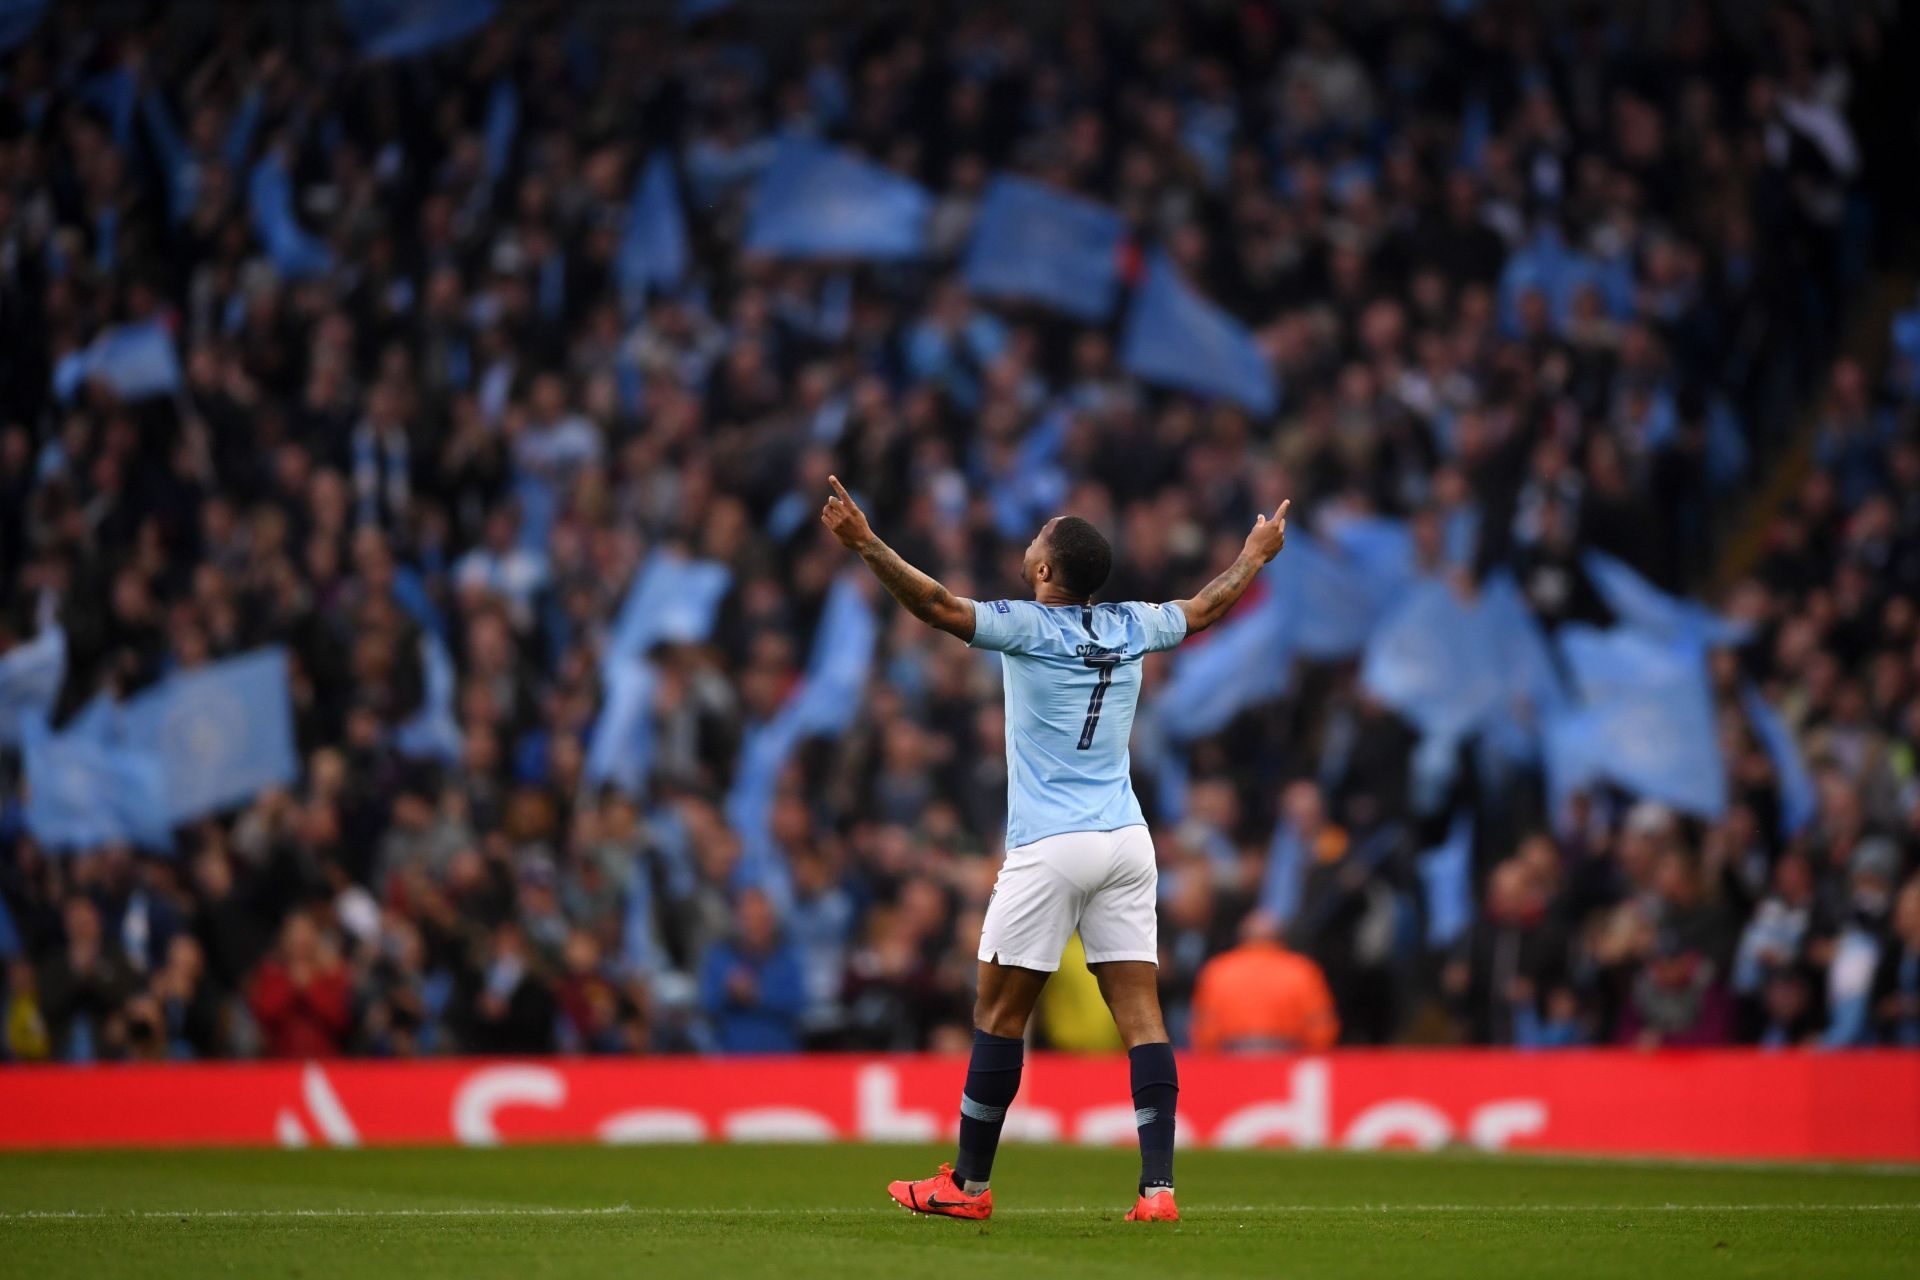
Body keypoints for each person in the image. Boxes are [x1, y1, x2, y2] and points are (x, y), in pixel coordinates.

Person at [821, 474, 1290, 1223]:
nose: (1030, 539)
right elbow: (1207, 608)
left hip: (1052, 845)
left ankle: (968, 1187)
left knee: (999, 1013)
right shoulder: (1134, 623)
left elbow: (936, 606)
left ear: (1046, 571)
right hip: (1127, 841)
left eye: (1039, 535)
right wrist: (1255, 554)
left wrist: (866, 543)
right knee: (1141, 1013)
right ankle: (1158, 1191)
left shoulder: (1028, 625)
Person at [1189, 913, 1339, 1052]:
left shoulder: (1218, 970)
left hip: (1232, 1059)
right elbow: (1321, 1027)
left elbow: (1204, 1029)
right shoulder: (1301, 970)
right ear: (1280, 938)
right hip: (1288, 1058)